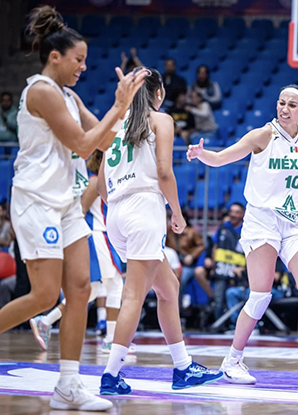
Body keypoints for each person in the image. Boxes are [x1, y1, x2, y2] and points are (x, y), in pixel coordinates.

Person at [0, 5, 146, 411]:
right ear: (55, 57)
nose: (83, 66)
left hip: (64, 203)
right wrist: (117, 107)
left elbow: (104, 142)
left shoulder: (68, 94)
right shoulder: (42, 91)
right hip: (36, 201)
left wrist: (135, 110)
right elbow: (81, 145)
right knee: (45, 294)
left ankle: (68, 385)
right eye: (78, 60)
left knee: (80, 289)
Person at [187, 84, 298, 388]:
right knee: (260, 294)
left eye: (293, 105)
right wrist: (202, 155)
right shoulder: (262, 135)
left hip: (295, 222)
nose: (285, 108)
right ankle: (233, 361)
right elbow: (222, 158)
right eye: (281, 102)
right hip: (263, 220)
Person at [97, 67, 222, 395]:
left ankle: (183, 367)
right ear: (159, 94)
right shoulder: (160, 119)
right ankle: (110, 375)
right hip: (143, 208)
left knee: (168, 288)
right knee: (134, 296)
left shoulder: (115, 124)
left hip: (117, 213)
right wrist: (177, 214)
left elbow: (100, 183)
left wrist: (120, 210)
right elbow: (165, 172)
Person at [29, 151, 129, 355]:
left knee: (91, 291)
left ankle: (45, 321)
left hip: (102, 236)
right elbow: (81, 212)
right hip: (96, 235)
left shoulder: (107, 179)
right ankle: (111, 340)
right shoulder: (94, 182)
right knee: (116, 284)